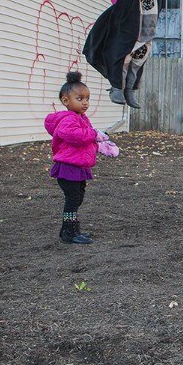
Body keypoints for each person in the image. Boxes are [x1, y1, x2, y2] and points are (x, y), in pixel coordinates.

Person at [44, 72, 119, 244]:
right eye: (80, 99)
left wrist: (100, 146)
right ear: (65, 101)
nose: (85, 103)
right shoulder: (68, 119)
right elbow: (74, 135)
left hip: (78, 167)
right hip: (68, 167)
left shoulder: (81, 118)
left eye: (87, 99)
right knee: (73, 199)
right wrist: (94, 134)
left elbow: (86, 140)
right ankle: (70, 232)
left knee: (78, 198)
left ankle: (69, 229)